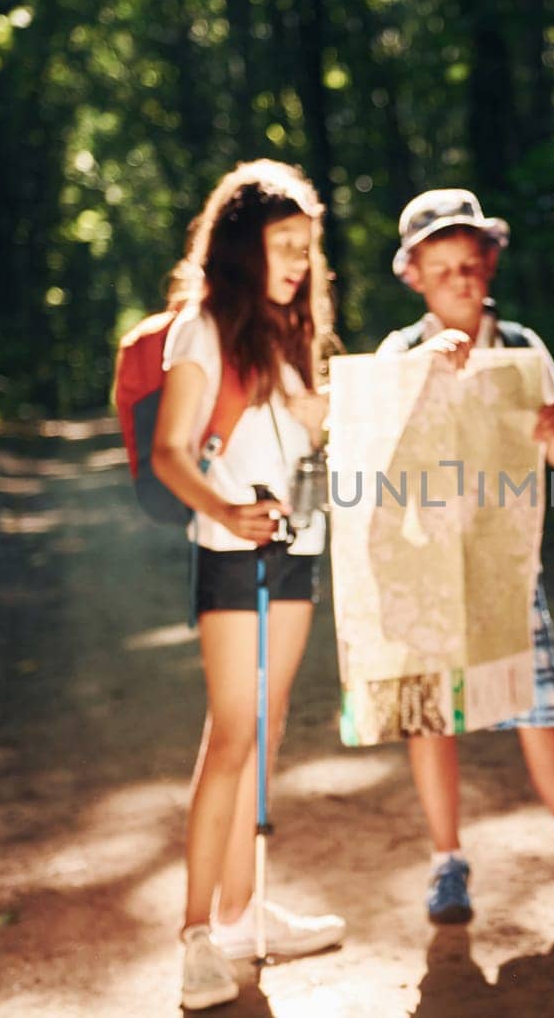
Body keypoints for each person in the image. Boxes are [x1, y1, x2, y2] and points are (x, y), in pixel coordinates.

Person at [375, 188, 554, 924]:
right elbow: (376, 462)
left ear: (488, 261)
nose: (458, 277)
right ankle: (447, 862)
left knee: (540, 711)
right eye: (439, 265)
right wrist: (424, 389)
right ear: (413, 274)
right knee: (430, 718)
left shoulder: (522, 348)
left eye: (468, 262)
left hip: (507, 566)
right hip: (426, 568)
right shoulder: (398, 356)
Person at [151, 160, 346, 1011]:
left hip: (296, 549)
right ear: (243, 245)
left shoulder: (292, 332)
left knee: (263, 734)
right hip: (231, 551)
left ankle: (240, 912)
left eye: (308, 246)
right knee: (230, 736)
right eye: (285, 244)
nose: (301, 261)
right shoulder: (202, 329)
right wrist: (228, 513)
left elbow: (321, 432)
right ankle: (197, 934)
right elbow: (169, 451)